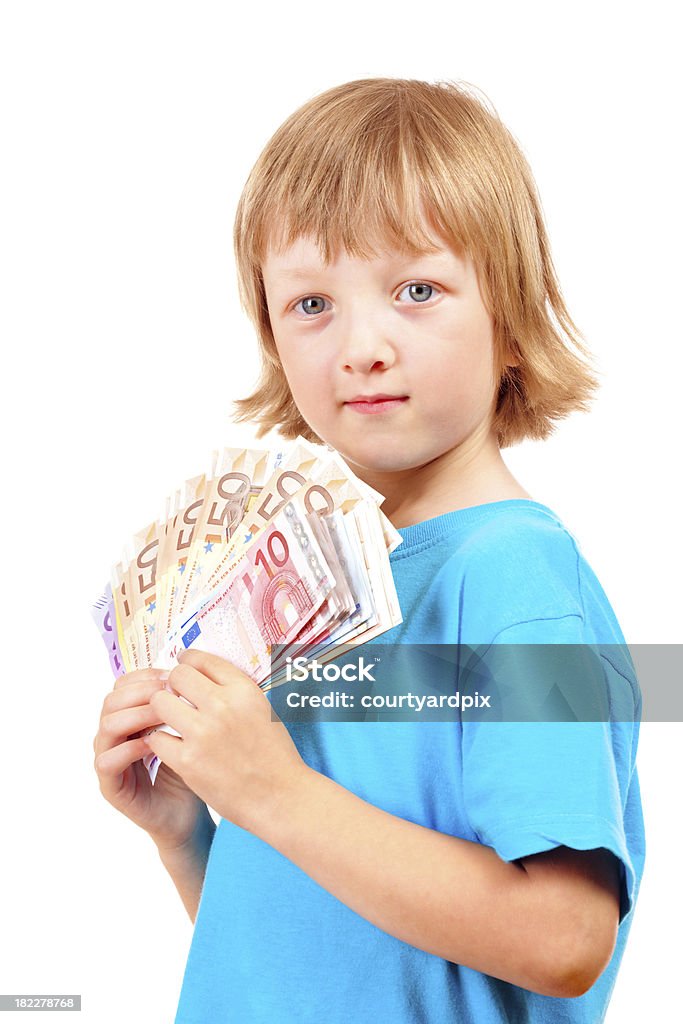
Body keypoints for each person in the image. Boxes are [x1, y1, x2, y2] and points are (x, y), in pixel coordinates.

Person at [93, 77, 645, 1023]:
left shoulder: (513, 578)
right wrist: (189, 832)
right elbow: (318, 958)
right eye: (310, 304)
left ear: (510, 318)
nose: (361, 345)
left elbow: (563, 940)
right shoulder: (314, 594)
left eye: (416, 290)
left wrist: (273, 792)